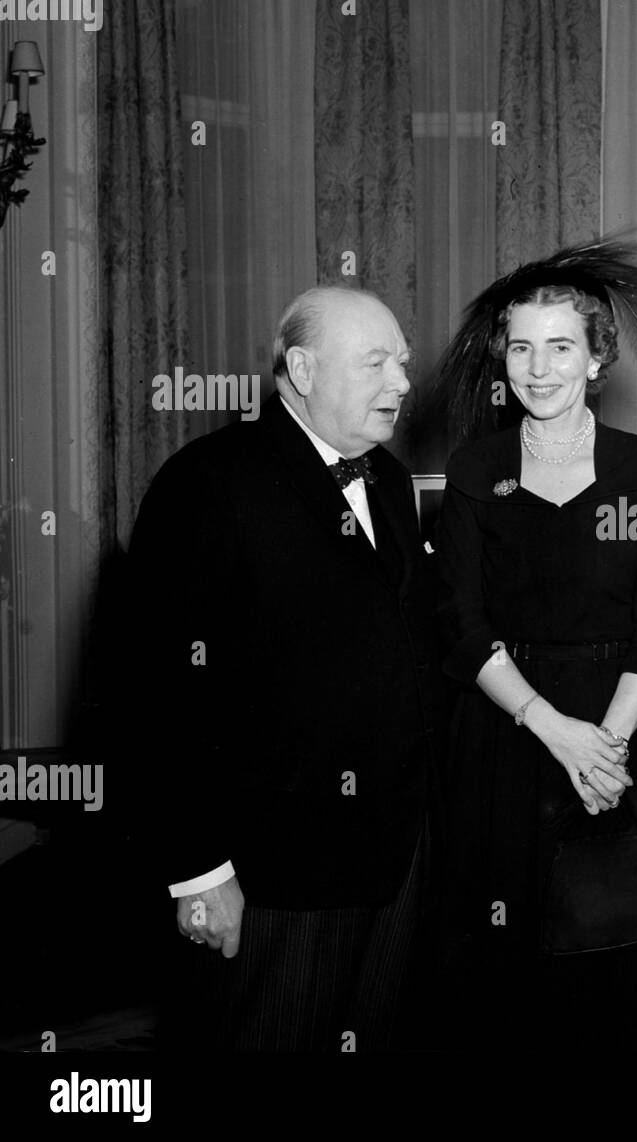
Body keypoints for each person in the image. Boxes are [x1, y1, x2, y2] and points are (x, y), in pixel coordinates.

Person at [128, 286, 441, 1051]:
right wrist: (199, 873)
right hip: (276, 875)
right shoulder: (206, 482)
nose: (402, 383)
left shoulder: (392, 482)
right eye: (376, 363)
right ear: (301, 369)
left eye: (401, 363)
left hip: (392, 860)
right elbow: (153, 693)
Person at [432, 240, 637, 1053]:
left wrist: (604, 748)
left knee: (621, 971)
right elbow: (460, 620)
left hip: (623, 736)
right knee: (508, 970)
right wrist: (554, 732)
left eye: (560, 347)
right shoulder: (475, 468)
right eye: (520, 347)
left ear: (596, 359)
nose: (538, 368)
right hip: (507, 731)